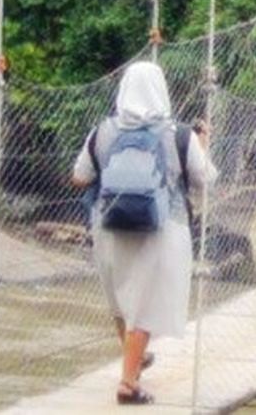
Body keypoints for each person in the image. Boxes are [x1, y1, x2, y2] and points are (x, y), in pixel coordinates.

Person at [72, 61, 217, 406]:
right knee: (146, 302)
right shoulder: (180, 135)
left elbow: (79, 176)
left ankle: (132, 359)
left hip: (109, 225)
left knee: (123, 299)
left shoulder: (103, 131)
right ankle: (128, 383)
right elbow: (204, 178)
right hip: (162, 228)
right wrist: (202, 144)